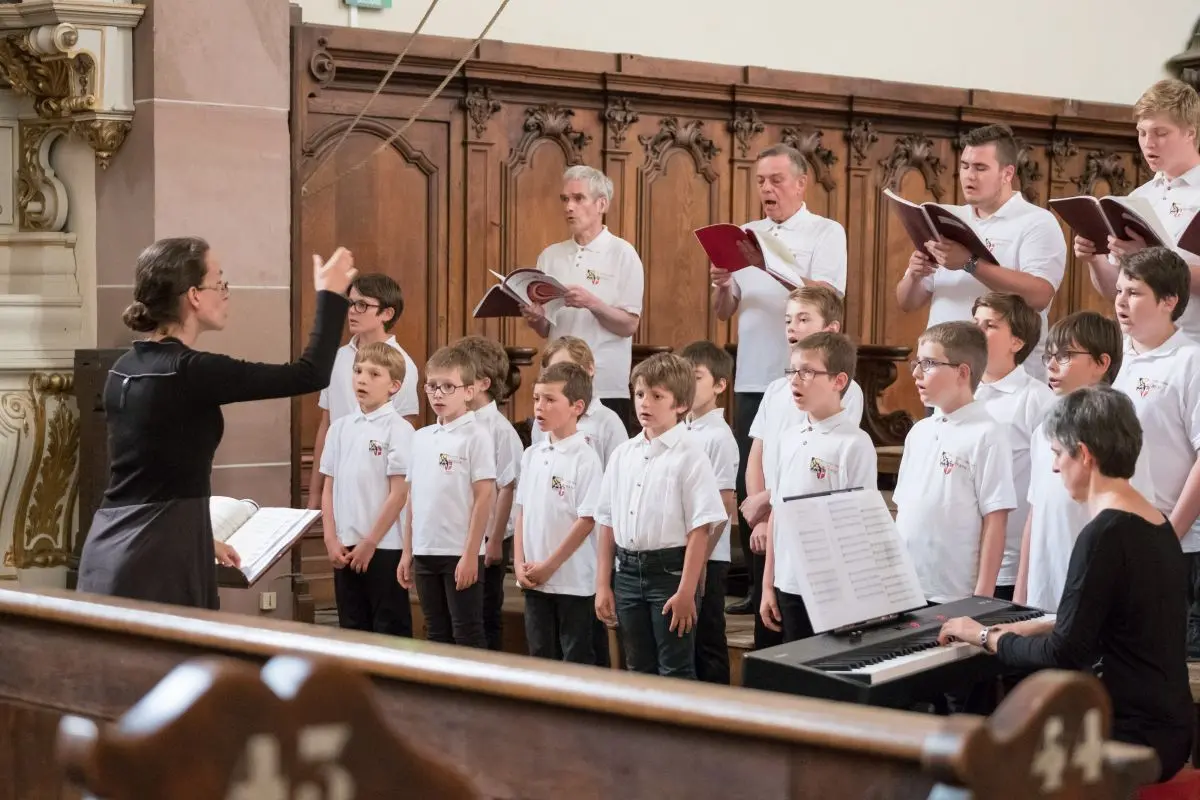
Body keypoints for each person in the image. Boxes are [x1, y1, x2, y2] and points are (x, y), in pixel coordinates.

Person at [77, 237, 356, 609]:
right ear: (194, 295)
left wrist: (199, 539)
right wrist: (331, 296)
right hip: (157, 558)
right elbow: (310, 374)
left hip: (112, 545)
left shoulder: (123, 367)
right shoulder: (191, 371)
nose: (226, 294)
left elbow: (145, 475)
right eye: (220, 283)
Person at [938, 386, 1193, 784]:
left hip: (1126, 736)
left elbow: (1064, 654)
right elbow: (1119, 622)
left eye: (1058, 453)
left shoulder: (1104, 534)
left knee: (981, 767)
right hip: (1168, 726)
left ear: (1084, 455)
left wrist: (984, 635)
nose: (1055, 467)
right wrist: (1034, 626)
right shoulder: (1155, 522)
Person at [710, 144, 848, 616]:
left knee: (799, 471)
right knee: (753, 473)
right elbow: (726, 311)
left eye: (776, 180)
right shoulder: (747, 234)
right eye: (760, 181)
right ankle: (757, 582)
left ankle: (798, 577)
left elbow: (827, 295)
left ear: (801, 183)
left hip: (810, 374)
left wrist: (772, 263)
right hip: (755, 371)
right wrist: (723, 284)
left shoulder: (825, 231)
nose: (766, 189)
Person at [736, 285, 864, 647]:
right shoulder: (776, 389)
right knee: (769, 631)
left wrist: (768, 502)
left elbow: (817, 462)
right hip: (770, 520)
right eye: (788, 319)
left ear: (831, 328)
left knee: (805, 640)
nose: (793, 326)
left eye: (804, 319)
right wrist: (761, 516)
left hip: (807, 527)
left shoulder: (845, 391)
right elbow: (757, 453)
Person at [895, 123, 1067, 381]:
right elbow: (907, 302)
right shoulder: (946, 217)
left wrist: (970, 263)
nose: (969, 176)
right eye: (965, 166)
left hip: (1006, 377)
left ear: (1007, 173)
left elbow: (1040, 294)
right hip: (943, 371)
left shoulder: (1037, 222)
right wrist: (914, 274)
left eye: (980, 168)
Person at [594, 353, 727, 679]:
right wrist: (602, 584)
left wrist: (686, 591)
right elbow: (607, 520)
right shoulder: (623, 454)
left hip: (670, 573)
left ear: (680, 404)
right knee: (636, 667)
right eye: (640, 394)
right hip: (627, 572)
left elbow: (701, 529)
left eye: (657, 396)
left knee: (675, 668)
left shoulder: (690, 455)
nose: (645, 403)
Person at [1015, 312, 1153, 610]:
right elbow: (1035, 512)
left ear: (1101, 363)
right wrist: (1020, 593)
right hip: (1044, 591)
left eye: (1065, 356)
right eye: (1049, 356)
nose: (1051, 365)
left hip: (1095, 595)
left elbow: (1135, 523)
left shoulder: (1120, 430)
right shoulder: (1043, 431)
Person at [1109, 247, 1200, 656]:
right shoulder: (1119, 360)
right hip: (1123, 537)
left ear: (1168, 301)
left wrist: (1169, 536)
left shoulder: (1190, 361)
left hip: (1178, 544)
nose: (1121, 301)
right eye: (1119, 290)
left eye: (1134, 292)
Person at [762, 332, 876, 641]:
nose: (794, 380)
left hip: (832, 587)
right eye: (792, 371)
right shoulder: (788, 438)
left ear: (839, 381)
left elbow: (858, 524)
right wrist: (768, 583)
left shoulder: (854, 443)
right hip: (788, 581)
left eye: (807, 372)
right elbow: (777, 513)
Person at [894, 322, 1016, 602]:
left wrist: (982, 598)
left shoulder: (988, 434)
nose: (916, 373)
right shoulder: (919, 432)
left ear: (962, 372)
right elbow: (903, 511)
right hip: (907, 589)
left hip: (953, 594)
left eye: (928, 363)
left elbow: (995, 521)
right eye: (917, 363)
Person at [1076, 79, 1200, 340]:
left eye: (1160, 133)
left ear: (1190, 132)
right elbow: (1115, 291)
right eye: (1142, 133)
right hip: (1137, 346)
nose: (1148, 143)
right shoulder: (1139, 197)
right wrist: (1095, 260)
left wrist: (1150, 262)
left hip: (1192, 342)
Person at [521, 166, 644, 426]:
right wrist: (535, 318)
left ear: (602, 204)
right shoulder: (550, 256)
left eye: (578, 198)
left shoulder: (623, 254)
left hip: (604, 384)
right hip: (556, 384)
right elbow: (546, 330)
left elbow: (629, 325)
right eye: (565, 199)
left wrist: (592, 303)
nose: (569, 207)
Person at [397, 346, 496, 648]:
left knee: (467, 633)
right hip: (425, 549)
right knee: (435, 633)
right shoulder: (421, 437)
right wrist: (407, 551)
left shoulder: (476, 435)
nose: (438, 394)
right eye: (432, 386)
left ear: (468, 391)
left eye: (448, 387)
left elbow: (484, 496)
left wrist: (471, 554)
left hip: (459, 551)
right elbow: (413, 498)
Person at [319, 342, 414, 636]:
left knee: (388, 630)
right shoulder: (339, 428)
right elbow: (328, 487)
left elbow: (399, 494)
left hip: (384, 547)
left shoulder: (399, 429)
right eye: (358, 371)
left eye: (374, 374)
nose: (362, 379)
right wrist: (330, 538)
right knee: (351, 629)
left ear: (394, 386)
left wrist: (370, 542)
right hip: (345, 545)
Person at [514, 362, 605, 664]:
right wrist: (519, 563)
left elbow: (586, 520)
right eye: (536, 398)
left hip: (572, 580)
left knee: (575, 657)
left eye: (550, 400)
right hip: (534, 577)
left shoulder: (585, 457)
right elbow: (522, 510)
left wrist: (550, 566)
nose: (539, 407)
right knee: (540, 654)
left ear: (577, 407)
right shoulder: (532, 454)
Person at [308, 273, 420, 510]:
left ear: (386, 313)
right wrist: (314, 493)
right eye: (350, 303)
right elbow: (325, 424)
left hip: (376, 491)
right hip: (337, 483)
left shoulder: (401, 364)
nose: (351, 311)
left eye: (362, 305)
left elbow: (406, 430)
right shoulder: (338, 357)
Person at [970, 293, 1055, 601]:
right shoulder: (959, 392)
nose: (977, 331)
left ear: (1016, 342)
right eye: (975, 323)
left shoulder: (1037, 400)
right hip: (959, 561)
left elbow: (1046, 485)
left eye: (990, 325)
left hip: (1008, 564)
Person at [453, 336, 524, 652]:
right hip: (459, 532)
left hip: (490, 536)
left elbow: (508, 486)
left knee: (484, 613)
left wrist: (495, 540)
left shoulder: (499, 429)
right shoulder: (456, 423)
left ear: (482, 383)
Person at [679, 340, 739, 685]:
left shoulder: (718, 436)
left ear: (719, 385)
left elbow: (724, 504)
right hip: (681, 549)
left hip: (708, 557)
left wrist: (700, 559)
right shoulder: (680, 428)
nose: (688, 384)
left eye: (697, 376)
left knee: (707, 638)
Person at [530, 336, 628, 466]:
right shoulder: (542, 419)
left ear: (589, 369)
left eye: (567, 370)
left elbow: (619, 471)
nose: (558, 377)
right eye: (553, 371)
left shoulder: (608, 422)